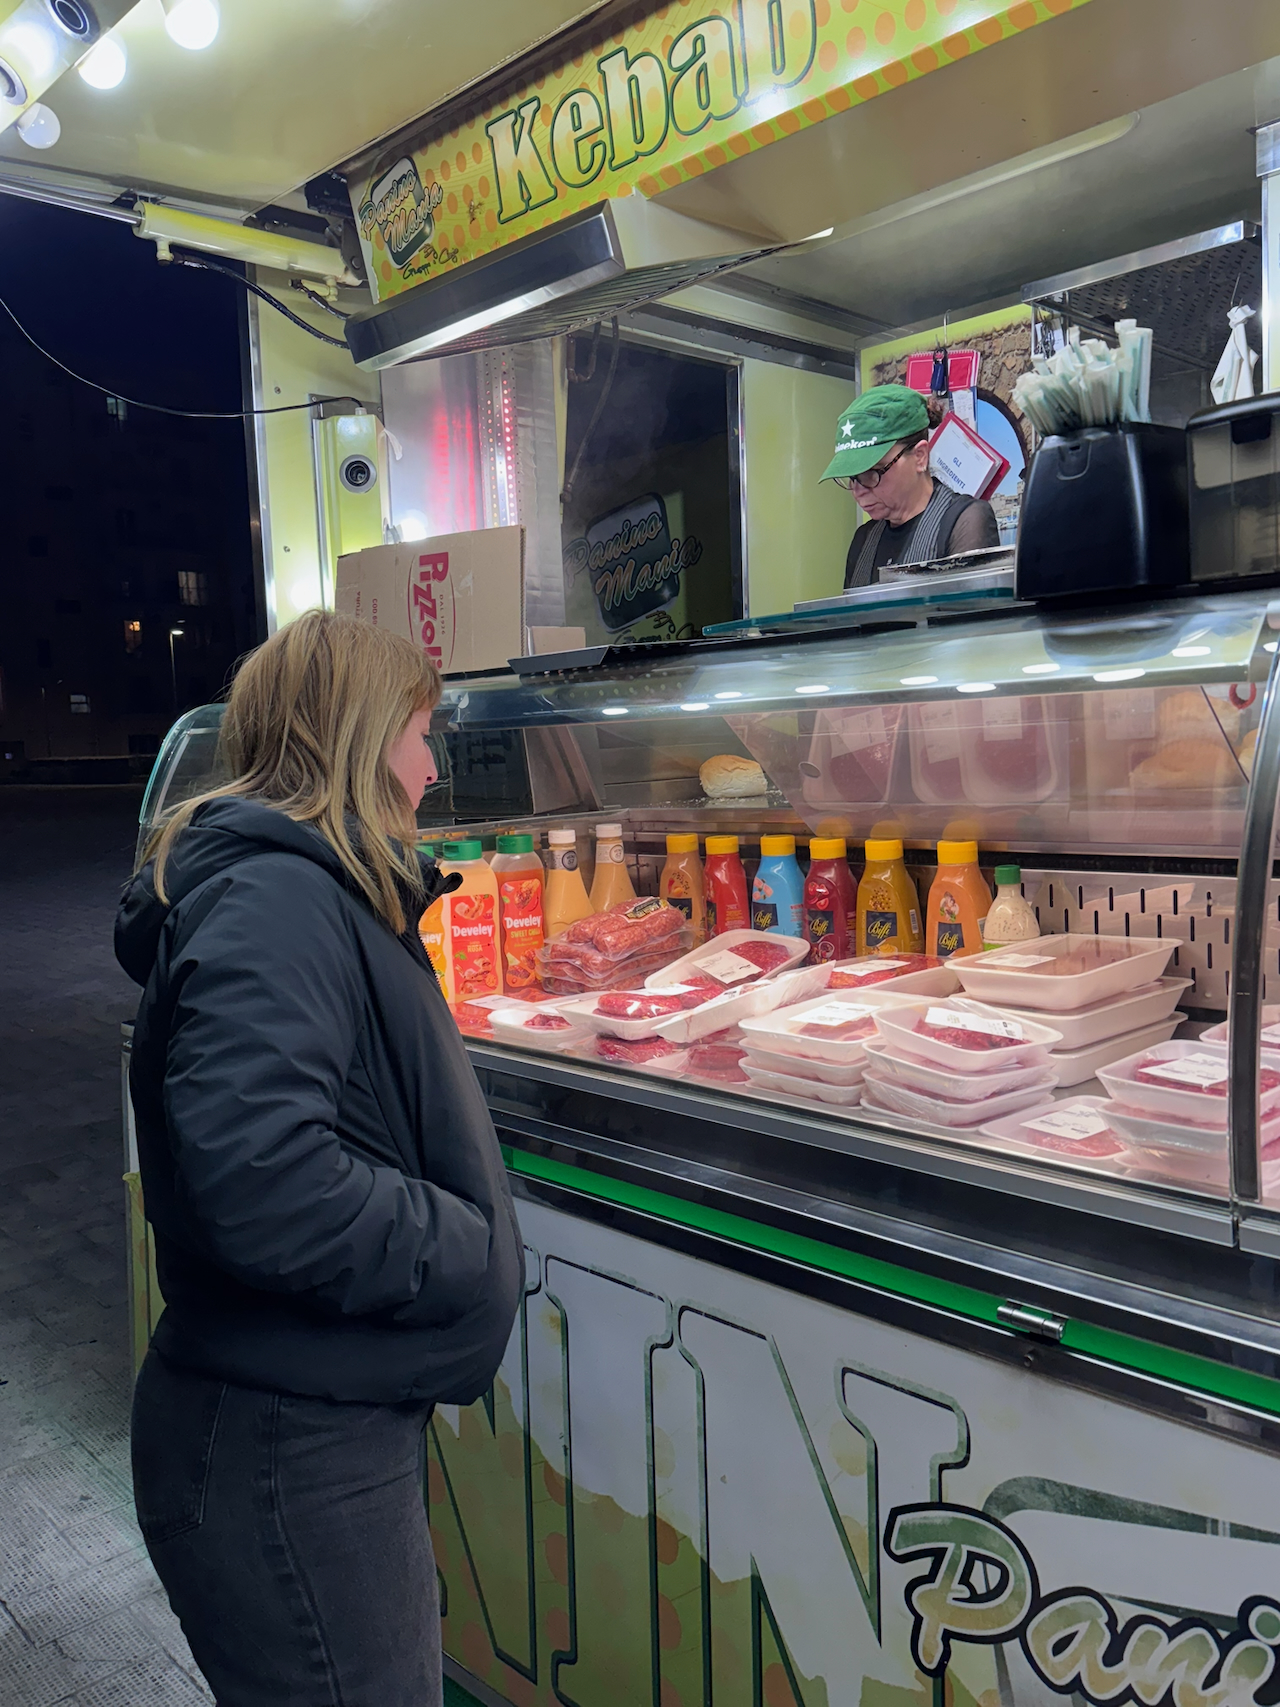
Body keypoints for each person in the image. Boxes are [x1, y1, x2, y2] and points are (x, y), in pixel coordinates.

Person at [115, 609, 523, 1707]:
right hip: (284, 1448)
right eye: (421, 735)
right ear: (358, 737)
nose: (432, 770)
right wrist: (462, 1247)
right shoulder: (277, 900)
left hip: (303, 1419)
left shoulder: (301, 887)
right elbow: (261, 1176)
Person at [820, 383, 999, 588]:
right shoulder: (863, 540)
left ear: (920, 456)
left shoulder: (963, 523)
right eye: (852, 476)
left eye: (872, 472)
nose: (858, 491)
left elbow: (971, 607)